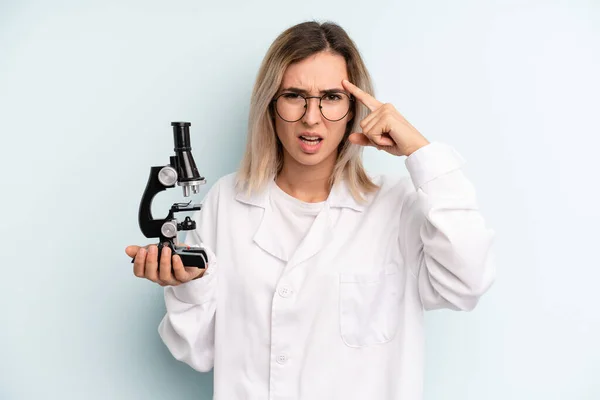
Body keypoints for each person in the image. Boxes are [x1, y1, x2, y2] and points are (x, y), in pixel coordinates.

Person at [125, 20, 495, 400]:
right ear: (270, 105)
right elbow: (196, 351)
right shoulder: (226, 201)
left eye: (332, 97)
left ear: (354, 108)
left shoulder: (397, 206)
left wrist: (422, 153)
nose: (311, 117)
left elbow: (467, 283)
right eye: (294, 95)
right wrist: (187, 288)